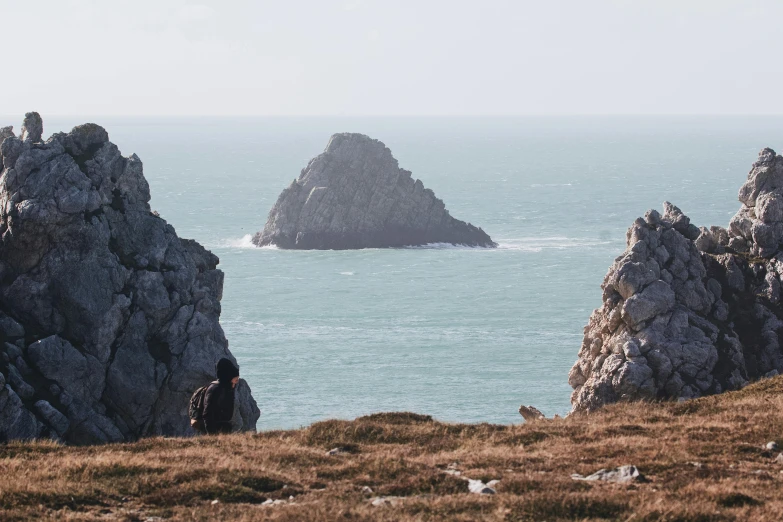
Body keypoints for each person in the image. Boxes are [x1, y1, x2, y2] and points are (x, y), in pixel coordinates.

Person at [203, 358, 240, 434]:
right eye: (235, 377)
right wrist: (212, 435)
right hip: (215, 430)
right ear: (228, 377)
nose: (237, 380)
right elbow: (207, 414)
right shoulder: (215, 389)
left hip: (225, 429)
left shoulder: (228, 388)